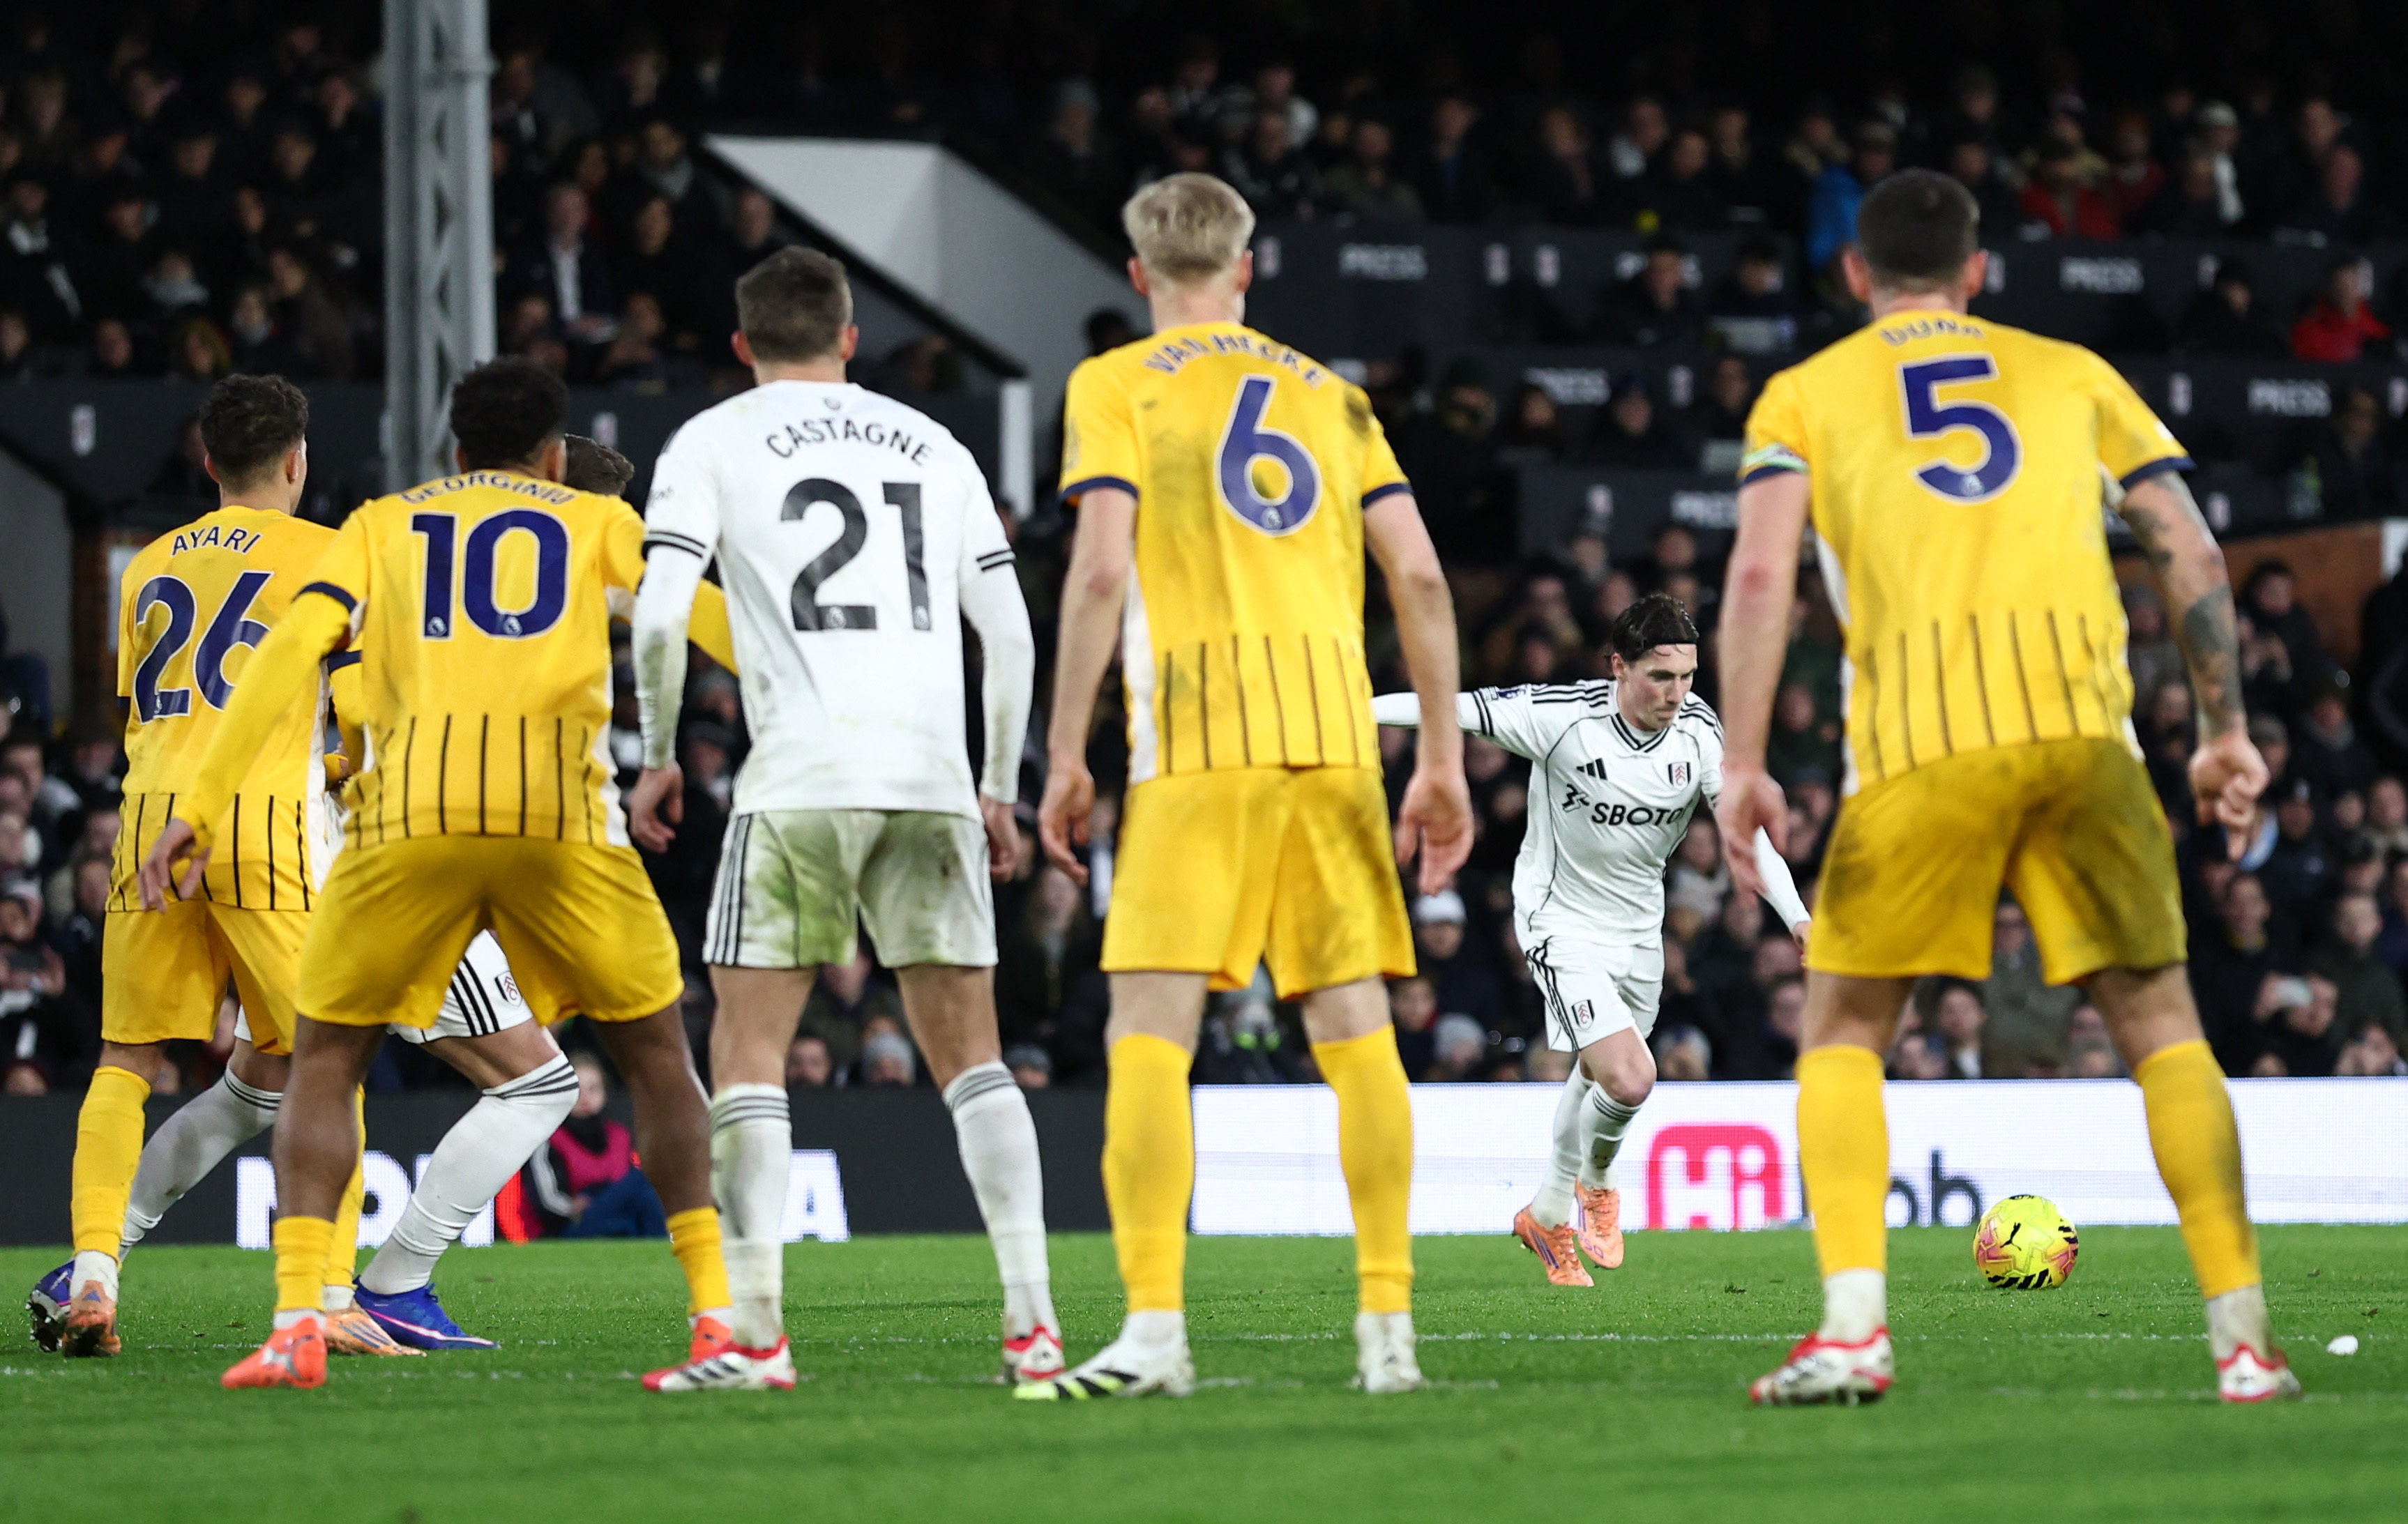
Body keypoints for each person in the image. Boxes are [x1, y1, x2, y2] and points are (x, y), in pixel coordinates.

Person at [1718, 169, 2297, 1405]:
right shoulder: (2074, 373)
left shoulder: (1804, 392)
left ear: (1855, 272)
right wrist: (2222, 732)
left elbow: (1761, 577)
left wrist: (1744, 761)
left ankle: (1853, 1332)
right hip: (2087, 740)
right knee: (2161, 1026)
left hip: (1919, 746)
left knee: (1843, 1030)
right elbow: (2190, 547)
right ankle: (2245, 1343)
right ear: (1976, 270)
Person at [139, 360, 733, 1393]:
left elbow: (286, 658)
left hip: (396, 835)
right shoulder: (591, 526)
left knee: (306, 1068)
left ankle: (266, 1308)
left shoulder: (382, 530)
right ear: (553, 464)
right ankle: (713, 1315)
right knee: (634, 1062)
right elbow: (699, 613)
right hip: (540, 826)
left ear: (455, 452)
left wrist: (198, 803)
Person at [1024, 173, 1472, 1399]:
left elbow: (1099, 570)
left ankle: (1154, 1332)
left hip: (1197, 743)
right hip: (1333, 743)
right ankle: (1388, 1330)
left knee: (1147, 1038)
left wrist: (1064, 750)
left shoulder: (1114, 383)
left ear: (1136, 275)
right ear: (1246, 266)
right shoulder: (1333, 395)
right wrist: (1439, 757)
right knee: (1356, 1034)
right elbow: (1421, 579)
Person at [627, 245, 1056, 1391]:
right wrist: (997, 784)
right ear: (850, 338)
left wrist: (658, 757)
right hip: (930, 781)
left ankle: (759, 1337)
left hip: (798, 782)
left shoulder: (711, 441)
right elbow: (1010, 633)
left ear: (741, 344)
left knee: (748, 1054)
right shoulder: (934, 443)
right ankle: (1034, 1326)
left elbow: (660, 616)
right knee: (974, 1060)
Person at [1372, 594, 1809, 1287]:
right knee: (1631, 1077)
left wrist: (1797, 918)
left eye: (1686, 676)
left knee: (1596, 1072)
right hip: (1559, 922)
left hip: (1639, 932)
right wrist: (1346, 712)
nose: (1676, 693)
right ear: (1619, 667)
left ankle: (1546, 1213)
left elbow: (1746, 835)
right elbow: (1446, 708)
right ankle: (1597, 1185)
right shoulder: (1561, 717)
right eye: (1660, 676)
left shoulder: (1698, 731)